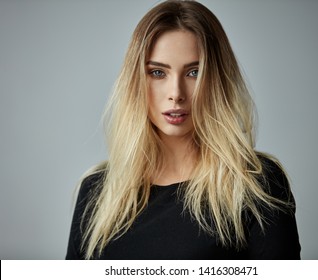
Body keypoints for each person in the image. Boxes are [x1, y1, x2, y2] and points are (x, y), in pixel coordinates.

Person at [66, 0, 301, 260]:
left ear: (216, 80)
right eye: (157, 72)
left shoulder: (256, 184)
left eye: (194, 72)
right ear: (135, 81)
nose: (176, 94)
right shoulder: (97, 192)